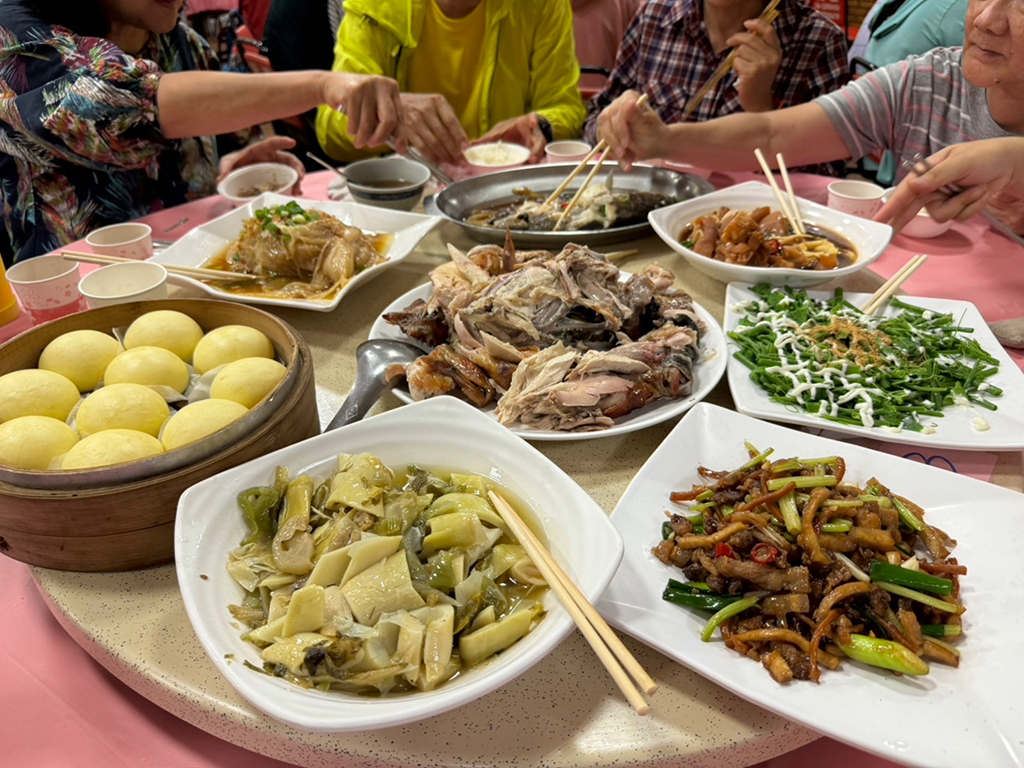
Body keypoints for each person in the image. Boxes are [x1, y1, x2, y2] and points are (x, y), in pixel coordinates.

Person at [0, 0, 403, 266]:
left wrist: (225, 175)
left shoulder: (175, 36)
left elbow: (198, 149)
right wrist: (323, 86)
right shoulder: (16, 37)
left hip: (199, 277)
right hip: (76, 302)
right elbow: (121, 103)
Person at [596, 0, 1024, 235]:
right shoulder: (926, 81)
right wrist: (663, 139)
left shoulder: (816, 35)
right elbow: (770, 135)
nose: (986, 19)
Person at [315, 0, 586, 167]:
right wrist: (389, 117)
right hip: (412, 197)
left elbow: (564, 105)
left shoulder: (542, 5)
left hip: (504, 193)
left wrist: (541, 126)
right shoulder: (378, 5)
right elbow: (331, 133)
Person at [582, 0, 850, 147]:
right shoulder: (654, 17)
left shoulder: (819, 41)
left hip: (748, 234)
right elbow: (593, 122)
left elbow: (825, 180)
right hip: (653, 217)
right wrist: (615, 125)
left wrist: (762, 107)